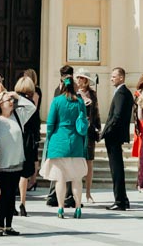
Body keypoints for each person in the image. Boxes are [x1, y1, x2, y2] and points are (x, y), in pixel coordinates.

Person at [40, 73, 89, 219]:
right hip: (75, 142)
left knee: (60, 179)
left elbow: (50, 123)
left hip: (58, 142)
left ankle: (61, 208)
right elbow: (84, 120)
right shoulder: (79, 102)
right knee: (76, 178)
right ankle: (78, 207)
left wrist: (50, 136)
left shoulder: (56, 101)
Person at [0, 87, 38, 235]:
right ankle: (0, 225)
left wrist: (17, 96)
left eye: (12, 100)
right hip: (3, 163)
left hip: (17, 161)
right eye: (8, 100)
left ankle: (9, 225)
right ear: (0, 103)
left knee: (12, 194)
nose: (11, 102)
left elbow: (32, 107)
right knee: (4, 194)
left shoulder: (18, 116)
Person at [102, 66, 134, 211]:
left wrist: (106, 131)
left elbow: (117, 116)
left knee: (116, 169)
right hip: (116, 135)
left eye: (114, 76)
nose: (111, 78)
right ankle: (123, 199)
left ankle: (120, 200)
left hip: (114, 136)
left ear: (121, 77)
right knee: (117, 168)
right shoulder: (123, 92)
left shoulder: (121, 93)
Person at [44, 65, 77, 207]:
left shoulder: (59, 94)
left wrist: (50, 135)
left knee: (58, 168)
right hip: (70, 136)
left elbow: (52, 119)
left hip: (58, 134)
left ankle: (57, 197)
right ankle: (66, 197)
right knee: (69, 170)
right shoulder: (76, 96)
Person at [14, 75, 40, 215]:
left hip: (14, 137)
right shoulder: (30, 104)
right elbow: (36, 125)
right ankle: (22, 203)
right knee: (24, 174)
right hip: (27, 140)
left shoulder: (12, 101)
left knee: (10, 170)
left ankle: (8, 200)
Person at [75, 70, 101, 205]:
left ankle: (88, 193)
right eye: (78, 77)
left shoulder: (92, 94)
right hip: (78, 131)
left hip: (89, 131)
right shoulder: (74, 94)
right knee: (78, 162)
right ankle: (76, 192)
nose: (78, 80)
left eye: (81, 78)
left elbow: (96, 111)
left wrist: (98, 127)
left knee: (89, 162)